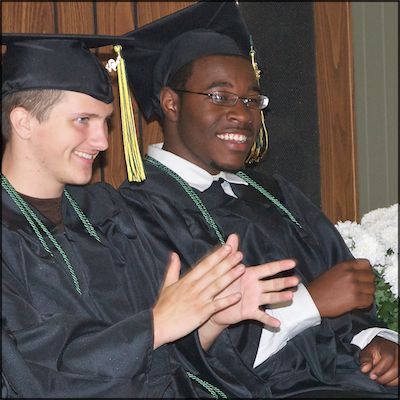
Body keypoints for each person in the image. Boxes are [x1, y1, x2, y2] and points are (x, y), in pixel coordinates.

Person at [118, 1, 399, 398]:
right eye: (220, 96)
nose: (243, 114)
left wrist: (379, 340)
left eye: (252, 100)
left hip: (349, 376)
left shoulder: (274, 193)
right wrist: (310, 303)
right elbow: (185, 359)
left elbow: (350, 294)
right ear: (171, 103)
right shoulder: (137, 214)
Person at [1, 32, 300, 398]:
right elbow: (35, 376)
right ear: (23, 122)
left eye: (106, 121)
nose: (102, 141)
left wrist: (209, 320)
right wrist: (157, 324)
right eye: (83, 120)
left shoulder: (107, 214)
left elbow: (164, 362)